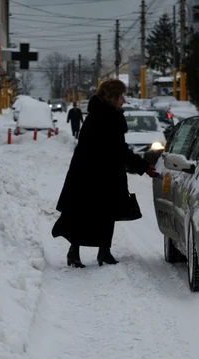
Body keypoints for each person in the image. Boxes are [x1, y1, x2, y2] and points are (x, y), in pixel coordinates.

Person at [51, 79, 159, 268]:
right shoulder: (103, 118)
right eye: (121, 96)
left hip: (100, 174)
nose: (123, 100)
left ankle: (102, 252)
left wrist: (142, 166)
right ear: (112, 98)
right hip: (91, 174)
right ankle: (76, 253)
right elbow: (118, 149)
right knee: (83, 213)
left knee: (104, 213)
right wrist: (143, 167)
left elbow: (118, 149)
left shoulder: (106, 115)